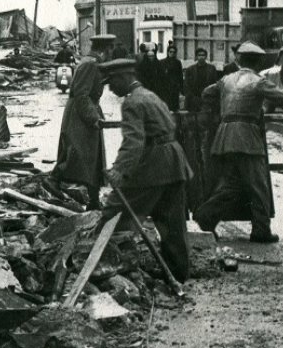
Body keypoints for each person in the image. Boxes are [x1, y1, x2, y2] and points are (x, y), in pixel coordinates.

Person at [194, 42, 283, 243]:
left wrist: (219, 110)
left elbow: (207, 93)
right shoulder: (258, 81)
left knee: (231, 184)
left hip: (224, 137)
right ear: (258, 62)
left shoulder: (226, 80)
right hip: (247, 139)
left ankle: (206, 216)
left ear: (239, 60)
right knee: (257, 185)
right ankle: (261, 230)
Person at [100, 58, 193, 283]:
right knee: (172, 222)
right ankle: (179, 272)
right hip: (174, 162)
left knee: (115, 211)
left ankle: (102, 263)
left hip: (153, 165)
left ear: (123, 77)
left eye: (111, 82)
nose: (110, 88)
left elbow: (134, 141)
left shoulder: (131, 102)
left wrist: (119, 171)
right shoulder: (150, 95)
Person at [52, 33, 115, 209]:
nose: (111, 53)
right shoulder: (90, 64)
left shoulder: (92, 62)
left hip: (85, 111)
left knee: (92, 158)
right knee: (77, 154)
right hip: (81, 115)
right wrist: (93, 117)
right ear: (106, 49)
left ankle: (94, 200)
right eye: (110, 49)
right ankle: (54, 180)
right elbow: (81, 94)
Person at [182, 47, 218, 114]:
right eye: (199, 55)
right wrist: (191, 97)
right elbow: (186, 85)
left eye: (203, 55)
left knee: (205, 120)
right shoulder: (190, 69)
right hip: (194, 99)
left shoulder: (211, 69)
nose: (201, 57)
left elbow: (215, 84)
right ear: (196, 57)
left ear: (206, 57)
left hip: (207, 99)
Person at [159, 43, 184, 111]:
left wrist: (181, 88)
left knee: (174, 106)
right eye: (170, 52)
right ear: (167, 52)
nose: (172, 53)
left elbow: (180, 75)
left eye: (174, 52)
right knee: (166, 106)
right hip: (165, 87)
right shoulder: (162, 62)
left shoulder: (177, 62)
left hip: (174, 88)